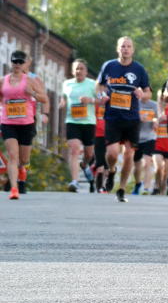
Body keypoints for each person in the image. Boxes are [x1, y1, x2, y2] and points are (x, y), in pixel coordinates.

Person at [96, 36, 151, 202]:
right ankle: (111, 170)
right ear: (117, 49)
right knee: (112, 153)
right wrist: (101, 95)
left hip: (132, 118)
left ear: (132, 50)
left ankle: (121, 188)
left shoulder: (139, 69)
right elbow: (98, 86)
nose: (125, 49)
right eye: (122, 46)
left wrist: (143, 95)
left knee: (128, 155)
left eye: (128, 46)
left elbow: (148, 94)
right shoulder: (109, 66)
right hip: (112, 116)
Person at [1, 50, 49, 199]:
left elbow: (44, 98)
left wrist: (33, 94)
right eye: (15, 61)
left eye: (20, 62)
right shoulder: (3, 80)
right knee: (12, 156)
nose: (17, 64)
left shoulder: (30, 80)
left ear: (24, 64)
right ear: (11, 62)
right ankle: (14, 188)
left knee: (24, 159)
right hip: (8, 122)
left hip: (26, 123)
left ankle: (23, 171)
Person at [60, 59, 97, 192]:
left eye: (81, 68)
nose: (79, 71)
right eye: (76, 68)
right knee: (74, 150)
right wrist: (62, 102)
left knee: (89, 154)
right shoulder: (66, 84)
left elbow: (102, 100)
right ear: (72, 71)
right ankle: (74, 181)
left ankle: (85, 164)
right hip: (72, 121)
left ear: (86, 71)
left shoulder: (93, 84)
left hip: (88, 122)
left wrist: (90, 100)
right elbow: (64, 96)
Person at [132, 90, 158, 194]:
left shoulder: (154, 105)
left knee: (147, 163)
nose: (145, 94)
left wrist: (156, 121)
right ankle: (138, 183)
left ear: (151, 93)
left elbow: (157, 116)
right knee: (137, 164)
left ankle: (146, 188)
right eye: (143, 91)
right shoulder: (134, 103)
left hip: (150, 136)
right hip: (136, 137)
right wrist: (137, 118)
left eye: (147, 91)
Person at [153, 89, 168, 195]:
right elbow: (148, 122)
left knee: (166, 171)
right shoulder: (155, 109)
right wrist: (156, 121)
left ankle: (163, 190)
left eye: (166, 100)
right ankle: (156, 185)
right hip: (157, 144)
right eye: (162, 100)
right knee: (159, 167)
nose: (164, 103)